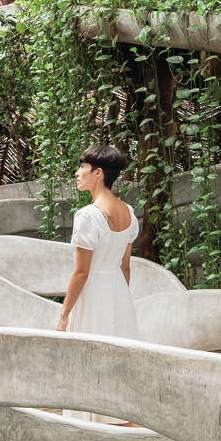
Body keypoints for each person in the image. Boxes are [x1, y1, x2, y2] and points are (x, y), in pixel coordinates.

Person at [56, 144, 141, 423]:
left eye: (83, 167)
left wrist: (65, 313)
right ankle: (115, 419)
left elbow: (81, 273)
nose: (77, 173)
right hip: (117, 292)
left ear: (99, 173)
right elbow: (124, 266)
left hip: (93, 294)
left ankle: (87, 424)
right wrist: (120, 300)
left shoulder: (88, 216)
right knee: (116, 358)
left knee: (88, 357)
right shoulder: (128, 212)